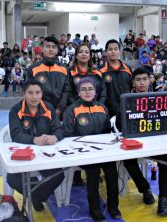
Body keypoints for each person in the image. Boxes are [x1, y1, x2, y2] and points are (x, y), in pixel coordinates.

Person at [63, 77, 121, 221]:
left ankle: (113, 206)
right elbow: (68, 134)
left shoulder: (102, 107)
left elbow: (108, 130)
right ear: (78, 92)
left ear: (95, 91)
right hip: (83, 153)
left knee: (111, 170)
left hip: (102, 152)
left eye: (90, 89)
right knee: (93, 171)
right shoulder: (72, 110)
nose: (87, 92)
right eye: (83, 89)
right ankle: (94, 208)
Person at [7, 79, 64, 212]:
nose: (34, 96)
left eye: (37, 92)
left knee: (59, 174)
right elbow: (15, 135)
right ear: (24, 94)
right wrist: (34, 140)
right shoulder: (15, 110)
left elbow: (59, 129)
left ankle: (35, 196)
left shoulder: (49, 108)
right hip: (24, 152)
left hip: (45, 153)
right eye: (30, 93)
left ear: (41, 93)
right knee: (12, 178)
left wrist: (54, 137)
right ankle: (37, 196)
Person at [123, 67, 167, 217]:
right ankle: (145, 190)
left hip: (156, 143)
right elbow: (120, 123)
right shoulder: (125, 99)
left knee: (166, 160)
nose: (142, 82)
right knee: (128, 161)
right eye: (138, 80)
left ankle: (163, 198)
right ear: (133, 82)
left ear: (150, 80)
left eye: (144, 79)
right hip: (135, 143)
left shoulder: (160, 98)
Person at [27, 36, 70, 118]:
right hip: (40, 112)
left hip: (61, 113)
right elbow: (29, 91)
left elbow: (67, 91)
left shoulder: (64, 68)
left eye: (53, 47)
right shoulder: (33, 69)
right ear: (42, 49)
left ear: (57, 50)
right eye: (47, 46)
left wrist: (59, 109)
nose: (51, 49)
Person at [100, 39, 132, 129]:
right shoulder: (100, 71)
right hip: (109, 114)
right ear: (106, 52)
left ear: (119, 51)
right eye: (110, 49)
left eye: (115, 49)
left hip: (126, 111)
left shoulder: (127, 69)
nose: (113, 51)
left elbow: (131, 88)